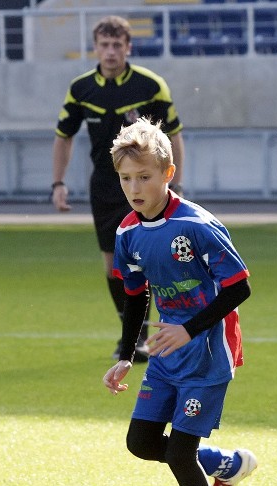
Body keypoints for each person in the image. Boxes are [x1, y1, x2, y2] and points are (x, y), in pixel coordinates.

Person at [102, 117, 255, 486]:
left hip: (207, 353)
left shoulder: (197, 226)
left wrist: (189, 328)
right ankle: (225, 464)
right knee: (141, 442)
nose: (135, 187)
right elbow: (135, 297)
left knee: (179, 453)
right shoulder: (128, 232)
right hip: (167, 353)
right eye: (127, 178)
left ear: (168, 174)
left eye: (144, 176)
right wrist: (127, 356)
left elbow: (239, 286)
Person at [52, 15, 186, 362]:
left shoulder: (150, 85)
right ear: (95, 47)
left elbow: (173, 136)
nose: (110, 52)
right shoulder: (81, 88)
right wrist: (58, 183)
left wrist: (176, 182)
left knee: (149, 259)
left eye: (117, 45)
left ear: (128, 47)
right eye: (104, 45)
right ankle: (134, 331)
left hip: (148, 183)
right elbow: (63, 137)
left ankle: (153, 333)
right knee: (114, 264)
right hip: (106, 188)